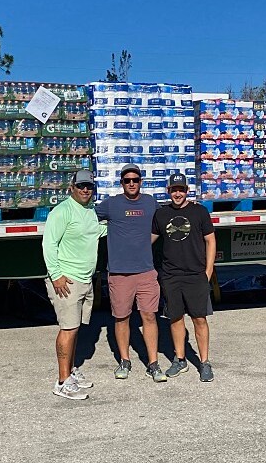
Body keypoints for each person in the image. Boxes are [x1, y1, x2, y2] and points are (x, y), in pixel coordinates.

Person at [96, 164, 166, 383]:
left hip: (146, 271)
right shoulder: (112, 204)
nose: (132, 183)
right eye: (127, 180)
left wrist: (147, 242)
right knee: (122, 317)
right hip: (119, 273)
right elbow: (86, 217)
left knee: (149, 316)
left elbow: (166, 221)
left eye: (135, 180)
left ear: (141, 182)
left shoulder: (150, 203)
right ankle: (124, 361)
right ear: (122, 183)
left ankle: (153, 364)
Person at [42, 170, 107, 400]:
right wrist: (56, 275)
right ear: (72, 188)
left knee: (75, 328)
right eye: (81, 186)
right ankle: (62, 382)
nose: (85, 190)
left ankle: (70, 371)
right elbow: (49, 244)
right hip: (67, 280)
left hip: (85, 279)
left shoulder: (90, 211)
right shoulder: (62, 211)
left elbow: (96, 231)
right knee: (68, 329)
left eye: (89, 186)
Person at [151, 173, 217, 382]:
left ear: (187, 191)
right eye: (174, 190)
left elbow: (211, 241)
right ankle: (180, 360)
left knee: (199, 319)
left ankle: (204, 362)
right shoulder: (161, 214)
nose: (177, 194)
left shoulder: (199, 212)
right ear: (168, 191)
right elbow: (147, 240)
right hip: (171, 276)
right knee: (175, 318)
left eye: (181, 190)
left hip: (195, 275)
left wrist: (208, 272)